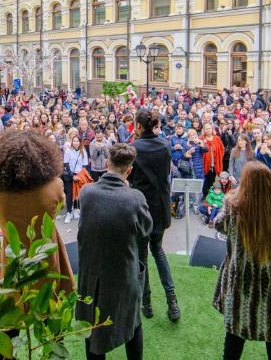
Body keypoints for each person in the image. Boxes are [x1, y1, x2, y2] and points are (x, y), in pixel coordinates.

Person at [213, 161, 271, 360]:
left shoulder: (233, 209)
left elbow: (218, 225)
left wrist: (231, 198)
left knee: (233, 340)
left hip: (240, 287)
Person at [76, 143, 152, 360]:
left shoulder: (86, 192)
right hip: (122, 276)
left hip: (91, 275)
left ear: (106, 163)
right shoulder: (135, 198)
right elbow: (146, 229)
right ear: (129, 170)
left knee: (93, 330)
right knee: (132, 324)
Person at [0, 130, 75, 294]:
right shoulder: (55, 186)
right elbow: (60, 205)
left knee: (13, 304)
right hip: (45, 256)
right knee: (49, 300)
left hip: (12, 259)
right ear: (42, 158)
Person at [128, 109, 180, 322]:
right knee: (158, 251)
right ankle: (172, 301)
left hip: (141, 209)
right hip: (160, 208)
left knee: (142, 256)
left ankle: (146, 304)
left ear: (139, 126)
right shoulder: (165, 145)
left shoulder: (133, 148)